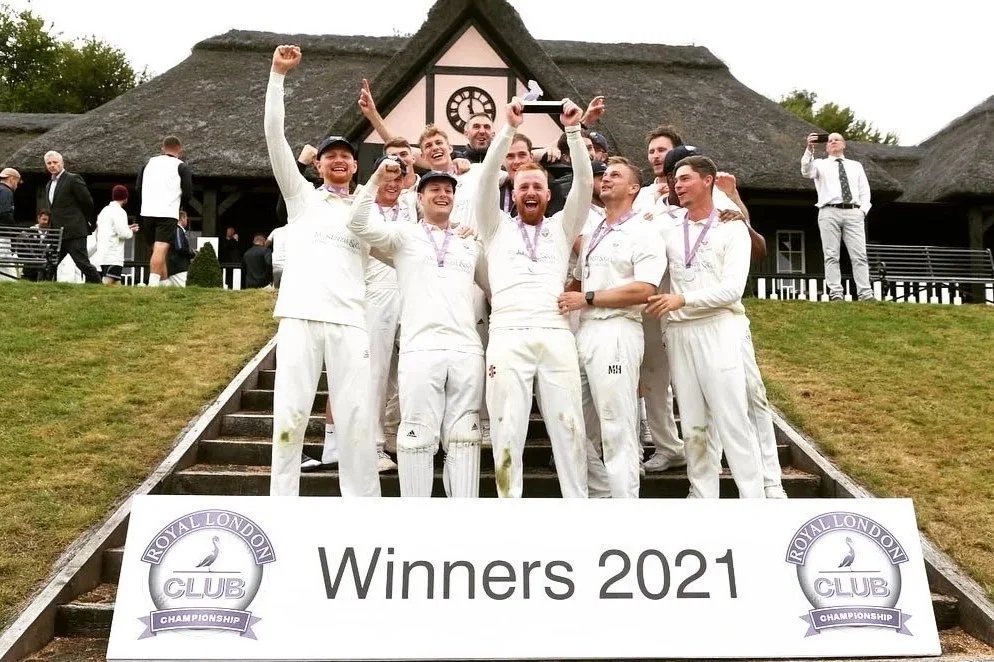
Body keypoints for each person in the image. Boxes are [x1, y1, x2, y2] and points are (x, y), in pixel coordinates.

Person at [265, 43, 380, 498]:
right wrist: (278, 76)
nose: (337, 161)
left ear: (355, 166)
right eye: (329, 155)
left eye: (345, 157)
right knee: (289, 415)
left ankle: (362, 507)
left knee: (355, 417)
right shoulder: (302, 198)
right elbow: (275, 138)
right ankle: (282, 506)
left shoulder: (370, 214)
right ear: (318, 163)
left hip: (350, 321)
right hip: (299, 315)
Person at [474, 97, 592, 498]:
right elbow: (486, 178)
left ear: (546, 195)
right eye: (523, 185)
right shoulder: (494, 226)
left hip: (556, 332)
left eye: (537, 186)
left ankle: (577, 505)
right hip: (507, 333)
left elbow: (585, 184)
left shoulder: (562, 226)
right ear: (514, 191)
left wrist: (574, 133)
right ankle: (511, 509)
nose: (530, 191)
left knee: (569, 425)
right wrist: (506, 129)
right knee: (507, 428)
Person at [349, 162, 483, 497]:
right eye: (435, 190)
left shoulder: (469, 240)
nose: (443, 195)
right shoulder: (403, 234)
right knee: (418, 435)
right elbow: (356, 223)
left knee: (465, 436)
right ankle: (416, 521)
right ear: (419, 198)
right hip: (420, 348)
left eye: (448, 190)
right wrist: (377, 178)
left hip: (466, 348)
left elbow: (494, 286)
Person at [644, 155, 764, 499]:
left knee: (732, 418)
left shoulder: (731, 227)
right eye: (674, 180)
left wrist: (682, 300)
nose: (677, 185)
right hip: (680, 332)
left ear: (707, 181)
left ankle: (753, 497)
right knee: (694, 422)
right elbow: (630, 232)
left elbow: (732, 290)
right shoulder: (666, 225)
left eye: (684, 179)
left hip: (718, 327)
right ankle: (702, 494)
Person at [557, 157, 666, 498]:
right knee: (569, 422)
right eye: (604, 176)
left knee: (617, 426)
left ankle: (623, 509)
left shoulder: (645, 232)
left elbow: (645, 289)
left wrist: (587, 298)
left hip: (618, 330)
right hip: (585, 332)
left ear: (635, 188)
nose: (606, 180)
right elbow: (574, 282)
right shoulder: (593, 233)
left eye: (615, 176)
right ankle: (602, 494)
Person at [802, 132, 874, 301]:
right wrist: (809, 149)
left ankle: (865, 294)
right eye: (830, 140)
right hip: (829, 211)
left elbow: (864, 190)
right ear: (826, 146)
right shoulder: (820, 164)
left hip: (853, 211)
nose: (833, 142)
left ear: (844, 144)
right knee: (831, 255)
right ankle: (836, 293)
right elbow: (806, 171)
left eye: (837, 139)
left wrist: (862, 210)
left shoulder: (856, 166)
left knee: (859, 255)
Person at [137, 136, 193, 287]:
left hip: (147, 211)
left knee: (154, 249)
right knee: (161, 248)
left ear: (162, 148)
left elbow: (138, 187)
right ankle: (153, 284)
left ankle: (164, 282)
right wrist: (179, 205)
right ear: (180, 150)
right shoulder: (181, 166)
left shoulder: (148, 163)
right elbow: (188, 192)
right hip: (167, 211)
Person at [42, 150, 101, 283]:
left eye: (55, 162)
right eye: (49, 163)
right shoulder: (49, 185)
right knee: (50, 263)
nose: (52, 165)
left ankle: (98, 286)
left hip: (74, 230)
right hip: (57, 232)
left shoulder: (73, 179)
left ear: (62, 163)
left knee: (82, 263)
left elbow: (87, 202)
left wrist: (87, 222)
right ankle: (43, 288)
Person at [94, 185, 140, 285]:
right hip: (113, 255)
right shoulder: (120, 212)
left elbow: (111, 229)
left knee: (115, 283)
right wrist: (131, 231)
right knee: (109, 282)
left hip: (103, 254)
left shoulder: (104, 211)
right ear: (125, 198)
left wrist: (127, 227)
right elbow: (123, 234)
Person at [634, 125, 684, 214]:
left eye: (661, 150)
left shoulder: (691, 190)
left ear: (677, 152)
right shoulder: (640, 195)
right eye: (651, 152)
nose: (655, 156)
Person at [164, 211, 195, 287]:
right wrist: (192, 253)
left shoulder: (173, 230)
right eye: (186, 218)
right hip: (179, 267)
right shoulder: (178, 230)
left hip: (173, 266)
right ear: (182, 218)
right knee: (184, 290)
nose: (187, 221)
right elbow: (180, 247)